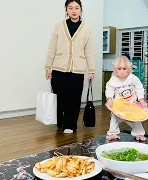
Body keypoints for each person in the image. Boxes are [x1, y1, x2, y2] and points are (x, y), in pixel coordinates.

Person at [44, 0, 95, 134]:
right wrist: (48, 67)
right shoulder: (58, 26)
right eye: (70, 8)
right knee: (60, 97)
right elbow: (52, 48)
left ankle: (71, 125)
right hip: (59, 68)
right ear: (66, 9)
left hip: (77, 69)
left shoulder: (87, 28)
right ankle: (60, 122)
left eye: (77, 8)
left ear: (80, 10)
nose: (74, 10)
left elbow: (89, 51)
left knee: (74, 98)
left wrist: (92, 70)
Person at [105, 56, 148, 141]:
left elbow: (139, 88)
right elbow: (109, 89)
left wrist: (141, 100)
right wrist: (109, 99)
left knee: (136, 120)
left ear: (129, 68)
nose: (122, 71)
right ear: (115, 69)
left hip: (131, 104)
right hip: (119, 104)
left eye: (124, 68)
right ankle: (113, 133)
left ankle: (139, 134)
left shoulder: (133, 78)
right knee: (114, 119)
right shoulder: (113, 79)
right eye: (119, 68)